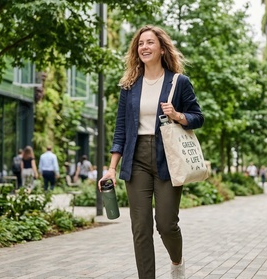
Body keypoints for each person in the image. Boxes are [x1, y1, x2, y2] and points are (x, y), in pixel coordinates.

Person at [98, 25, 204, 279]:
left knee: (166, 224)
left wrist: (177, 115)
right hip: (136, 159)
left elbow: (198, 117)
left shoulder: (179, 82)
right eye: (140, 43)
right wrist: (112, 168)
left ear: (161, 47)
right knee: (141, 228)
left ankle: (177, 262)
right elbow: (121, 128)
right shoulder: (129, 86)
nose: (144, 47)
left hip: (168, 157)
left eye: (150, 42)